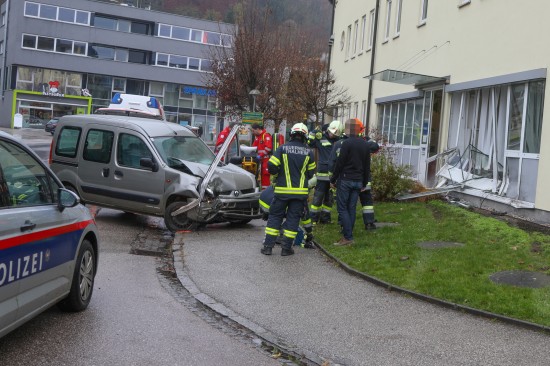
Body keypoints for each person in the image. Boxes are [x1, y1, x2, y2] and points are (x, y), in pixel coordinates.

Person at [261, 123, 316, 256]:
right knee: (293, 219)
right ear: (304, 136)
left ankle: (268, 247)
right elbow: (311, 173)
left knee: (275, 217)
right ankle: (286, 249)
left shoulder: (282, 149)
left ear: (291, 134)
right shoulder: (309, 152)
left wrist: (278, 174)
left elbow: (271, 165)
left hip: (281, 192)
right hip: (299, 194)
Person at [329, 118, 370, 246]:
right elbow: (367, 166)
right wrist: (364, 182)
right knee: (351, 208)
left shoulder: (346, 143)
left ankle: (347, 237)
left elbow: (340, 163)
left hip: (345, 179)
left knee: (342, 208)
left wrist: (333, 179)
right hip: (358, 181)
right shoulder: (365, 144)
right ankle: (349, 234)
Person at [308, 120, 341, 224]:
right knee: (318, 197)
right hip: (322, 174)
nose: (333, 135)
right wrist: (313, 132)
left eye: (335, 134)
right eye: (332, 133)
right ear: (328, 130)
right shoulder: (320, 138)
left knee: (329, 198)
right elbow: (310, 143)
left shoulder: (338, 140)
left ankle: (325, 219)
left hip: (333, 175)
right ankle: (313, 219)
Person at [360, 134, 380, 230]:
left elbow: (375, 146)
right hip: (363, 179)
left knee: (349, 203)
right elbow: (374, 146)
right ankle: (369, 223)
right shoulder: (364, 144)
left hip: (352, 179)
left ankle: (344, 225)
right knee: (367, 202)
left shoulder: (346, 143)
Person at [251, 123, 273, 190]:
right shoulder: (258, 137)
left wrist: (259, 156)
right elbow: (253, 147)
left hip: (266, 160)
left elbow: (268, 148)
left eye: (253, 130)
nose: (253, 132)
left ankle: (266, 192)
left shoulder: (266, 136)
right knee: (259, 177)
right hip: (261, 160)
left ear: (257, 129)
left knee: (265, 177)